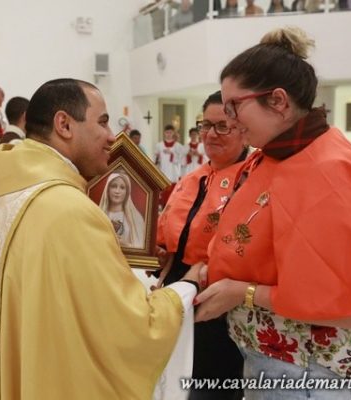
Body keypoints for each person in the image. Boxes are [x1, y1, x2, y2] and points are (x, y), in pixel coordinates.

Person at [0, 78, 203, 400]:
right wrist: (186, 287)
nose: (111, 136)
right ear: (64, 125)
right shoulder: (67, 208)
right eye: (103, 122)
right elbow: (132, 326)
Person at [194, 27, 351, 399]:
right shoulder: (278, 155)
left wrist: (242, 293)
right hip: (277, 362)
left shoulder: (327, 173)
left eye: (234, 106)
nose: (230, 120)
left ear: (278, 101)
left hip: (307, 373)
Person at [156, 91, 247, 400]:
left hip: (219, 304)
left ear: (244, 129)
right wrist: (159, 251)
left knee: (211, 387)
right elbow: (170, 233)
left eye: (222, 126)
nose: (210, 134)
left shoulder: (253, 180)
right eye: (206, 125)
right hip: (179, 294)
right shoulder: (193, 178)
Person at [99, 171, 146, 249]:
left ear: (127, 192)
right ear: (107, 189)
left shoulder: (136, 218)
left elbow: (142, 248)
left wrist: (126, 245)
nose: (117, 191)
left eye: (122, 187)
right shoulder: (97, 215)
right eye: (114, 186)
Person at [155, 124, 184, 206]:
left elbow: (182, 161)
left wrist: (171, 154)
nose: (168, 134)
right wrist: (157, 158)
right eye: (167, 132)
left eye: (170, 132)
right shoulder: (159, 145)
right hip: (163, 172)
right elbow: (156, 160)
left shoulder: (178, 146)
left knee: (173, 199)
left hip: (174, 174)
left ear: (173, 133)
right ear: (164, 133)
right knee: (163, 198)